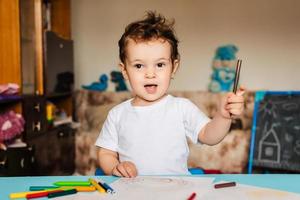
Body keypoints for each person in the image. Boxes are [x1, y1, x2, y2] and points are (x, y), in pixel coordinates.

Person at [95, 11, 245, 178]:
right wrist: (115, 168)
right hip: (133, 191)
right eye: (139, 66)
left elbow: (209, 136)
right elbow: (106, 154)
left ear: (173, 68)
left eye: (160, 64)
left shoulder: (181, 108)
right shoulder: (117, 115)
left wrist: (223, 116)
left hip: (176, 190)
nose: (150, 74)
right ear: (124, 70)